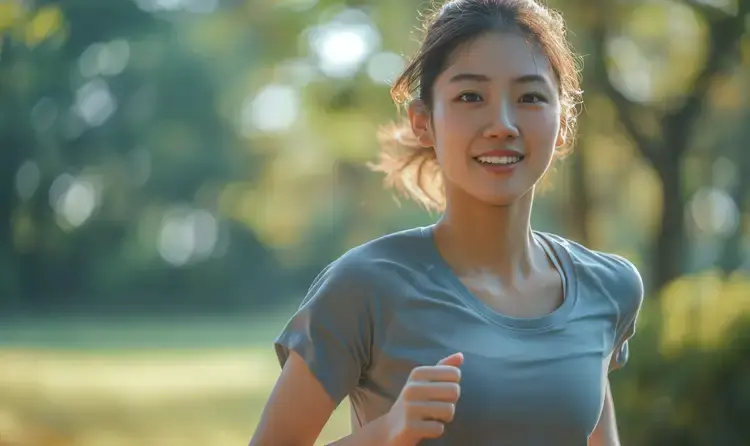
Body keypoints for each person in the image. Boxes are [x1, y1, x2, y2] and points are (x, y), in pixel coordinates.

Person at [249, 0, 644, 444]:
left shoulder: (607, 287)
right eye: (470, 97)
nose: (502, 124)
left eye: (530, 97)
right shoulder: (364, 287)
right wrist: (386, 433)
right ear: (424, 123)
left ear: (564, 120)